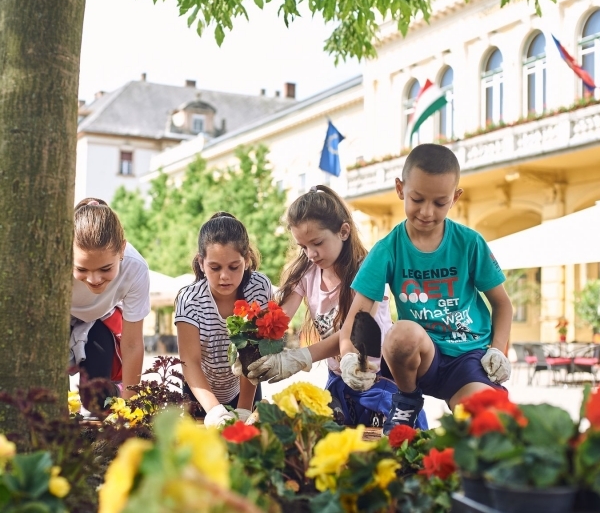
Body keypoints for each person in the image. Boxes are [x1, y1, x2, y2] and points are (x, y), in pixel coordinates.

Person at [337, 144, 513, 435]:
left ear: (455, 198)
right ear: (400, 189)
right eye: (417, 199)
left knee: (487, 428)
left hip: (469, 358)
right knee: (400, 333)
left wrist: (498, 350)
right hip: (422, 358)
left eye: (440, 202)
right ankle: (406, 399)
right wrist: (348, 356)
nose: (427, 212)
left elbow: (503, 304)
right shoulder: (387, 250)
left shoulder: (470, 243)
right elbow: (357, 319)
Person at [244, 186, 427, 428]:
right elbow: (279, 318)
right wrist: (251, 345)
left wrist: (299, 358)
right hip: (340, 384)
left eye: (317, 243)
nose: (310, 253)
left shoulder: (368, 269)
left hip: (378, 380)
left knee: (391, 454)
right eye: (303, 247)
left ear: (343, 231)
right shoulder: (306, 271)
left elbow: (352, 332)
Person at [175, 212, 268, 428]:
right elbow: (190, 362)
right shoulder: (189, 299)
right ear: (201, 262)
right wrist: (216, 412)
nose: (224, 276)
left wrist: (244, 408)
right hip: (200, 391)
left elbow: (253, 351)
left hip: (246, 384)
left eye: (233, 267)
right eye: (215, 268)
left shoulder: (259, 287)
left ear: (246, 260)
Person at [69, 198, 150, 400]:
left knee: (96, 400)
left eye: (105, 269)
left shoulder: (135, 268)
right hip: (57, 321)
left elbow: (132, 343)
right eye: (81, 269)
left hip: (99, 320)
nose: (94, 279)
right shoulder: (52, 262)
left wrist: (129, 407)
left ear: (122, 250)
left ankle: (116, 390)